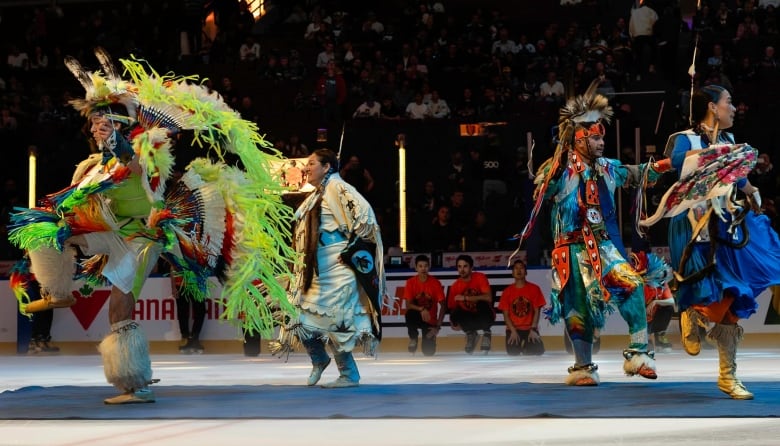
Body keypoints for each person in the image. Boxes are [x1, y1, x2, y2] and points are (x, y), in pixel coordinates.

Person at [8, 49, 297, 404]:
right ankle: (58, 290)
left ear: (120, 127)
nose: (97, 128)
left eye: (105, 123)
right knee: (44, 224)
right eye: (95, 123)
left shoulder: (142, 155)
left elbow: (131, 165)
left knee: (119, 305)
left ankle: (135, 383)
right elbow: (79, 204)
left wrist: (117, 143)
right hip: (115, 231)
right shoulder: (92, 167)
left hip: (142, 237)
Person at [514, 80, 672, 386]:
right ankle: (583, 367)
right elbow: (542, 193)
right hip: (570, 249)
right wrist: (560, 154)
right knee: (577, 310)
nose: (602, 143)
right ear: (579, 139)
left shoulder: (608, 168)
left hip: (603, 246)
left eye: (602, 138)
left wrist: (671, 164)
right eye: (595, 138)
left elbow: (638, 173)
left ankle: (639, 353)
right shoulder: (557, 170)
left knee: (632, 285)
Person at [645, 84, 780, 399]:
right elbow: (677, 162)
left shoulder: (731, 140)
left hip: (726, 225)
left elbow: (738, 177)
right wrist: (714, 152)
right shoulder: (684, 139)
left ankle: (727, 376)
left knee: (733, 294)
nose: (734, 108)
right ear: (711, 106)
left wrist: (751, 191)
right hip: (693, 228)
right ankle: (690, 307)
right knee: (710, 289)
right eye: (729, 102)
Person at [272, 149, 385, 388]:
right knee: (297, 316)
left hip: (337, 270)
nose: (306, 167)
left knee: (334, 323)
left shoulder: (337, 187)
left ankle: (349, 375)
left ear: (327, 167)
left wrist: (352, 249)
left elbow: (366, 219)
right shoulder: (316, 194)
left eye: (312, 163)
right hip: (315, 271)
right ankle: (319, 358)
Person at [439, 254, 494, 354]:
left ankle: (487, 333)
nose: (462, 269)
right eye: (459, 267)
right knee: (455, 314)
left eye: (465, 266)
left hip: (484, 316)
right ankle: (471, 334)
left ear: (471, 268)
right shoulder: (455, 286)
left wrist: (466, 297)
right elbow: (452, 308)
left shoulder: (480, 277)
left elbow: (489, 298)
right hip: (470, 318)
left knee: (482, 303)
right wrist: (453, 323)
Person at [497, 260, 546, 356]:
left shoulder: (534, 289)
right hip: (514, 329)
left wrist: (533, 329)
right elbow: (506, 315)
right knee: (512, 352)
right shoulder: (507, 291)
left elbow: (537, 311)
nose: (519, 271)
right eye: (516, 268)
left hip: (529, 328)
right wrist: (513, 331)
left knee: (537, 351)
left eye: (521, 268)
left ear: (526, 272)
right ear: (512, 273)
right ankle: (523, 346)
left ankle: (526, 346)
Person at [402, 254, 445, 356]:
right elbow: (408, 305)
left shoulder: (435, 283)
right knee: (410, 313)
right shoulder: (410, 282)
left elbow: (443, 306)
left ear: (429, 267)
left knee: (428, 352)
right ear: (416, 268)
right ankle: (413, 337)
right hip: (417, 316)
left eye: (425, 266)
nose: (423, 268)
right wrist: (421, 309)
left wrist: (437, 327)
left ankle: (431, 338)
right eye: (420, 266)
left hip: (430, 321)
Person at [171, 274, 207, 354]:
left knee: (200, 310)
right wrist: (173, 287)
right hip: (180, 284)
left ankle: (194, 337)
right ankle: (185, 338)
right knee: (182, 312)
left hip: (196, 284)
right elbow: (172, 268)